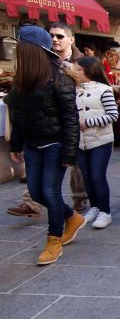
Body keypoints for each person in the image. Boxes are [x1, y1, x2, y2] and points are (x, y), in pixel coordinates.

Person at [8, 26, 85, 265]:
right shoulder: (23, 79)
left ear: (31, 51)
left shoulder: (60, 77)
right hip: (32, 144)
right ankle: (72, 217)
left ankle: (53, 239)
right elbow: (19, 115)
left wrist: (69, 152)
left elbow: (71, 118)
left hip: (55, 143)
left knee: (50, 191)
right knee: (37, 191)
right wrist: (16, 144)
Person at [73, 56, 119, 229]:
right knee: (86, 177)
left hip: (100, 140)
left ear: (88, 70)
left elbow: (113, 115)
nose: (75, 72)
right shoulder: (72, 90)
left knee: (97, 175)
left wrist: (88, 123)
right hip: (80, 141)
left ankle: (105, 211)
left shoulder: (104, 90)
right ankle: (95, 206)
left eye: (78, 69)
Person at [48, 22, 89, 212]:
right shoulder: (45, 59)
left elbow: (94, 84)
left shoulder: (84, 61)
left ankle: (80, 196)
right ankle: (31, 199)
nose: (54, 39)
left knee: (76, 159)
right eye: (52, 36)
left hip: (77, 114)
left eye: (59, 36)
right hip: (51, 115)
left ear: (71, 39)